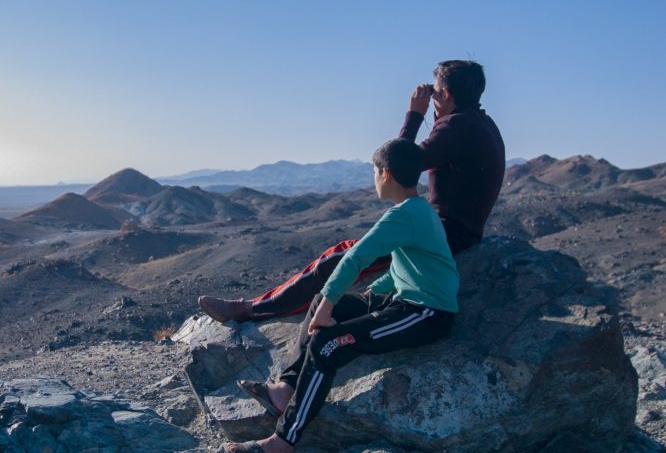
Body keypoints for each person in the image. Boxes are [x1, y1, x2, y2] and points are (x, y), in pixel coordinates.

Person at [199, 60, 504, 323]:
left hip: (441, 235)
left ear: (447, 94)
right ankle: (258, 304)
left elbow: (400, 165)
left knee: (343, 258)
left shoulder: (456, 128)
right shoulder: (480, 123)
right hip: (455, 230)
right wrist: (438, 113)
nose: (431, 95)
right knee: (344, 247)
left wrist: (415, 114)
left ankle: (252, 310)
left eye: (436, 91)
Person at [220, 138, 459, 453]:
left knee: (327, 344)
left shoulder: (405, 215)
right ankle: (285, 390)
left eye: (375, 171)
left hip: (426, 314)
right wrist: (377, 288)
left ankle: (283, 441)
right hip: (402, 300)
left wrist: (330, 304)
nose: (373, 177)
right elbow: (416, 264)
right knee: (321, 300)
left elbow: (354, 258)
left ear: (385, 174)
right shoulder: (417, 209)